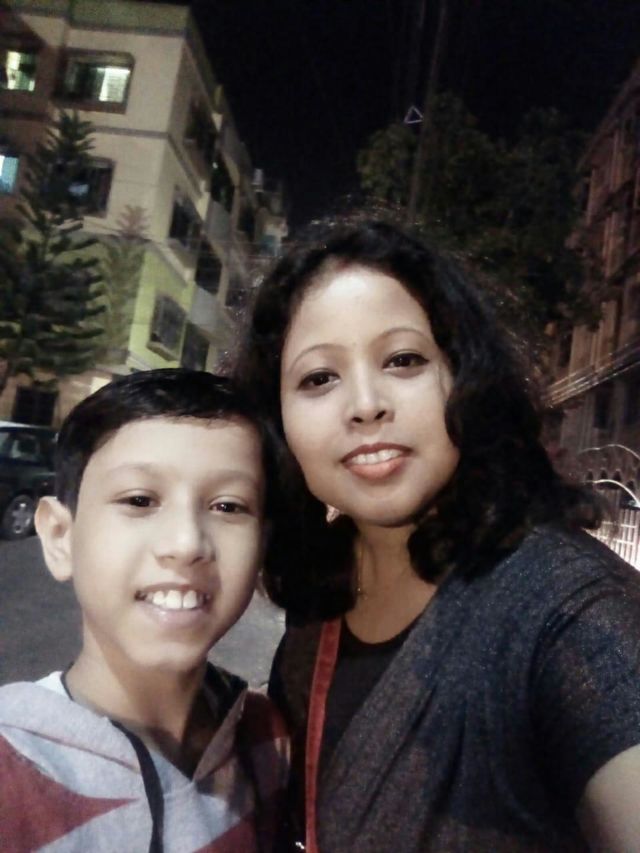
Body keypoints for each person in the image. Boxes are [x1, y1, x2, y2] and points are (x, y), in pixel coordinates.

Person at [236, 218, 640, 852]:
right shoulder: (321, 601)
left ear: (464, 377)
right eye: (319, 378)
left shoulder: (568, 614)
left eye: (403, 360)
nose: (365, 404)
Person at [0, 369, 288, 852]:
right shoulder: (13, 775)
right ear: (60, 537)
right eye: (139, 500)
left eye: (227, 506)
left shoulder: (269, 740)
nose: (186, 543)